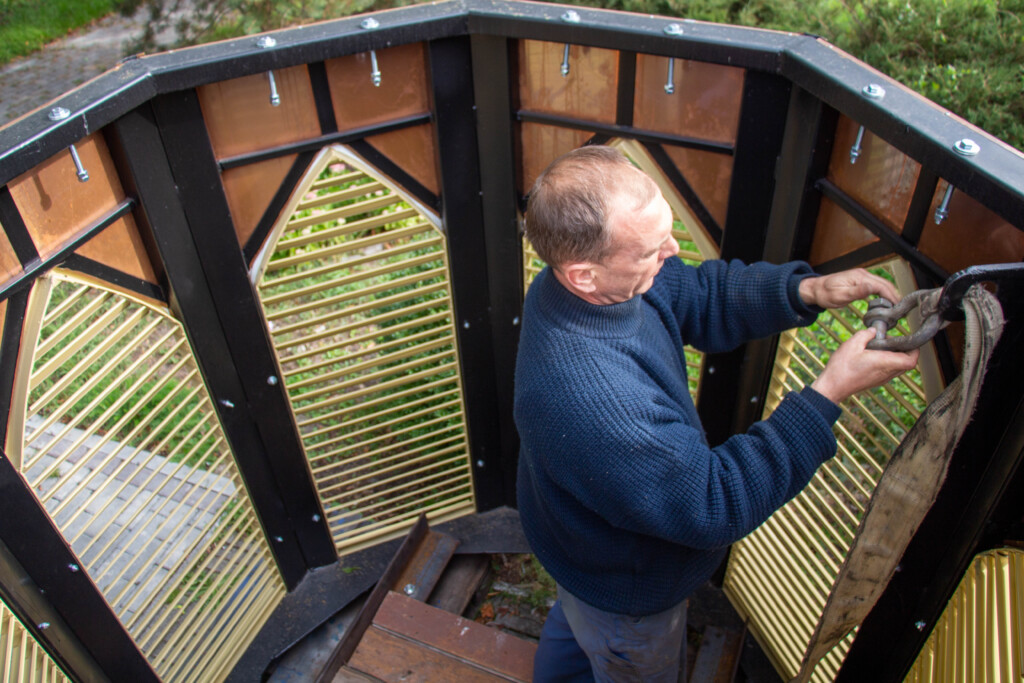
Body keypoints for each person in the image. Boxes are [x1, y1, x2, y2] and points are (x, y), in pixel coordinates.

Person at [514, 145, 919, 682]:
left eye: (667, 233)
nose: (672, 251)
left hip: (582, 550)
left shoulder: (585, 284)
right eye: (652, 250)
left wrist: (806, 290)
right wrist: (828, 392)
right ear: (584, 274)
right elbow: (712, 503)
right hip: (627, 593)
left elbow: (695, 292)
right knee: (623, 655)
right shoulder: (596, 401)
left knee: (578, 626)